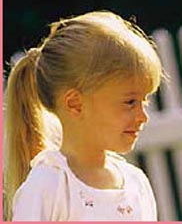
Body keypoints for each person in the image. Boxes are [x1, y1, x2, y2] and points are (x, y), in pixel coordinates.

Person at [3, 11, 163, 221]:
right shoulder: (49, 186)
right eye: (130, 102)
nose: (143, 116)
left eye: (145, 101)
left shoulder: (136, 184)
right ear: (75, 104)